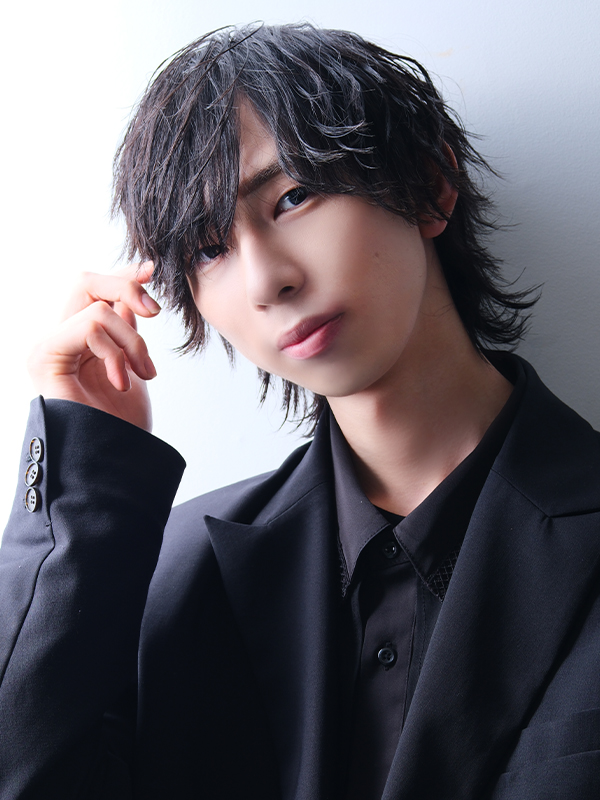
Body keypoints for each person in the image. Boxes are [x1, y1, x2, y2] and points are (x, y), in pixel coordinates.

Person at [1, 22, 599, 800]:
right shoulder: (174, 573)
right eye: (209, 250)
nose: (266, 280)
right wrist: (83, 465)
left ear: (429, 185)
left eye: (293, 197)